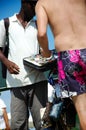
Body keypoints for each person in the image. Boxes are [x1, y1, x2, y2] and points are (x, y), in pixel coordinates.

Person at [35, 0, 86, 130]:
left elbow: (41, 34)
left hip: (69, 56)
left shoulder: (42, 3)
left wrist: (46, 54)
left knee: (83, 111)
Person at [0, 0, 48, 130]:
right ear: (24, 3)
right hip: (16, 83)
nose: (35, 9)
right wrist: (6, 62)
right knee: (18, 125)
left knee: (43, 124)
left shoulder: (38, 25)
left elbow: (44, 50)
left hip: (38, 80)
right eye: (33, 5)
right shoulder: (6, 23)